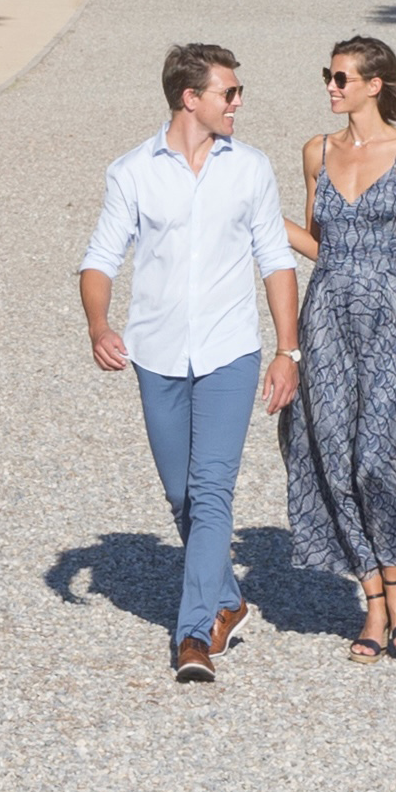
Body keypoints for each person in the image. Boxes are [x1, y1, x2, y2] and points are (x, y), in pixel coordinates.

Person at [77, 41, 300, 685]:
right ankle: (228, 597)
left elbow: (276, 262)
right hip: (158, 354)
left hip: (232, 352)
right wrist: (99, 323)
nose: (237, 103)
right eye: (228, 93)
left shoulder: (251, 168)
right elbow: (99, 260)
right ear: (190, 99)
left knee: (210, 491)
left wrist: (287, 349)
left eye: (236, 93)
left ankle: (194, 633)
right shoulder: (131, 172)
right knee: (183, 496)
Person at [282, 31, 396, 662]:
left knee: (375, 452)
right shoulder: (316, 151)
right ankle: (373, 602)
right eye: (328, 76)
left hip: (391, 313)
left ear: (372, 85)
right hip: (326, 312)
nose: (331, 87)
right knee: (330, 450)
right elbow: (314, 242)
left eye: (341, 78)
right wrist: (253, 214)